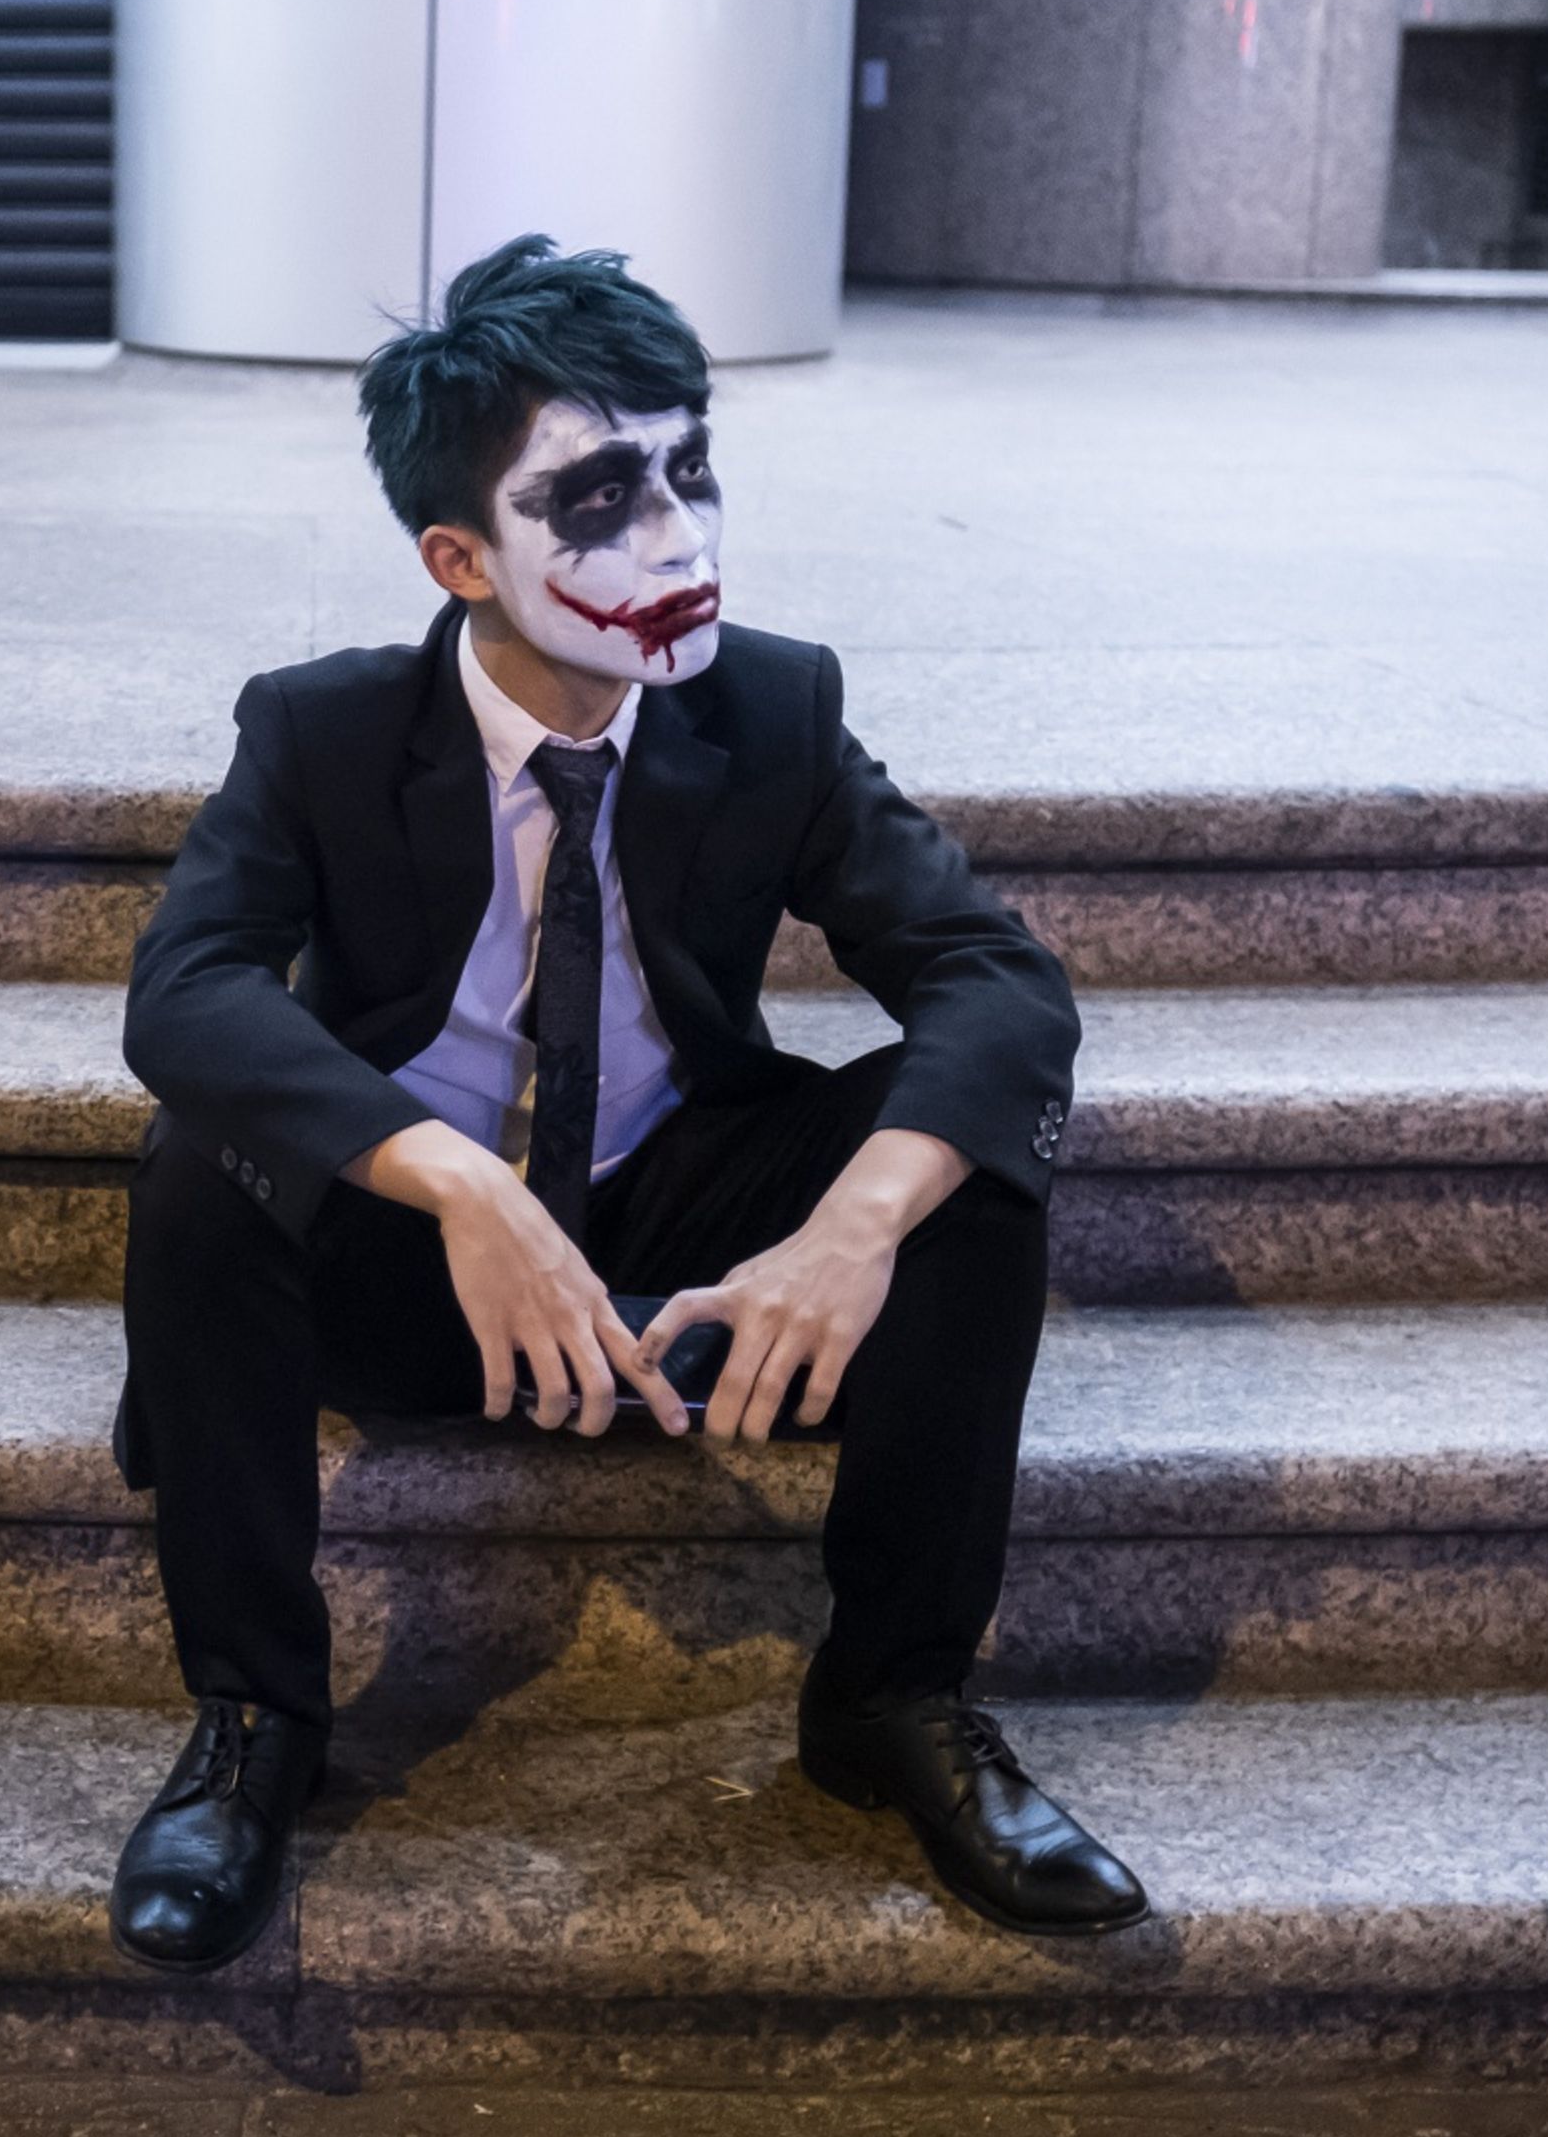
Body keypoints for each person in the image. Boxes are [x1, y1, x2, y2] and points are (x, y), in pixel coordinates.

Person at [107, 234, 1146, 1972]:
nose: (675, 540)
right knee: (203, 1168)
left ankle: (892, 1700)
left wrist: (851, 1229)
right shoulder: (320, 733)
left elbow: (992, 977)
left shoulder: (772, 709)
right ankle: (253, 1723)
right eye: (596, 500)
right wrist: (459, 1187)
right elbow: (186, 993)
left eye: (690, 472)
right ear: (460, 558)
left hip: (677, 1223)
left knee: (954, 1160)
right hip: (412, 1256)